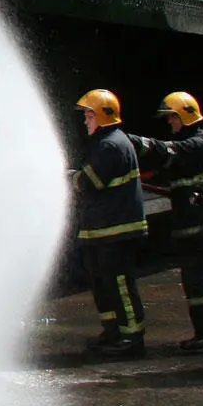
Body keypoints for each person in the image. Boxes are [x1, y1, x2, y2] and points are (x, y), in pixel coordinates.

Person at [131, 92, 203, 351]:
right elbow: (168, 163)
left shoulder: (197, 143)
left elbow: (167, 150)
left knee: (197, 279)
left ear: (183, 116)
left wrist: (130, 140)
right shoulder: (196, 142)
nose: (170, 123)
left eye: (171, 119)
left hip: (200, 228)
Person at [72, 89, 148, 358]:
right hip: (103, 231)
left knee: (119, 284)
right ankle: (113, 331)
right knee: (102, 283)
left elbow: (90, 181)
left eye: (89, 115)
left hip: (116, 232)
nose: (85, 120)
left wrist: (71, 178)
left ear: (102, 116)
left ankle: (131, 337)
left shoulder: (111, 145)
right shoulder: (108, 142)